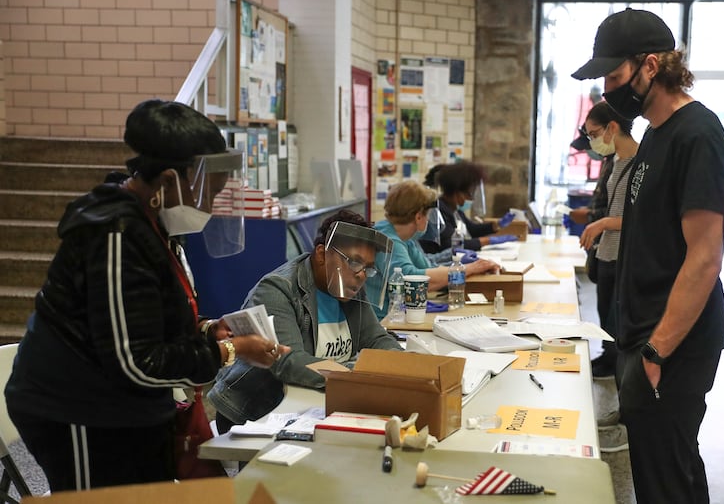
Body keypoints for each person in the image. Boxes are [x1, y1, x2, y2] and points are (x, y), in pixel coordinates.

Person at [3, 99, 289, 492]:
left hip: (127, 404)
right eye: (207, 194)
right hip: (77, 407)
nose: (208, 207)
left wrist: (207, 330)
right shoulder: (116, 235)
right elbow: (135, 361)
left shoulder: (152, 224)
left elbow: (150, 319)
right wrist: (230, 351)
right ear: (169, 181)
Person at [572, 9, 724, 503]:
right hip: (642, 336)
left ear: (649, 66)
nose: (608, 90)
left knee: (664, 479)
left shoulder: (697, 135)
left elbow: (705, 257)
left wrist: (656, 350)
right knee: (670, 467)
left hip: (673, 345)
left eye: (615, 76)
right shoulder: (655, 136)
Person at [209, 210, 403, 433]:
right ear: (322, 254)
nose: (361, 275)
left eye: (368, 268)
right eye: (354, 262)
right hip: (256, 415)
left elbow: (376, 338)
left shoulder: (347, 286)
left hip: (314, 405)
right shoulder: (277, 289)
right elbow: (289, 361)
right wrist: (354, 374)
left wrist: (405, 365)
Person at [372, 180, 500, 320]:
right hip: (383, 322)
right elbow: (411, 278)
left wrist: (462, 266)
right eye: (427, 215)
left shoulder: (404, 238)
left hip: (395, 317)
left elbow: (427, 266)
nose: (428, 220)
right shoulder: (387, 239)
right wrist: (467, 269)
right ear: (418, 216)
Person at [577, 101, 638, 381]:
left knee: (618, 317)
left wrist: (601, 223)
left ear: (612, 127)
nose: (592, 141)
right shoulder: (613, 161)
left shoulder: (640, 163)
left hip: (625, 253)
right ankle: (608, 356)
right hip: (606, 251)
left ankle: (616, 363)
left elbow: (642, 218)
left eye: (593, 133)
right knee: (604, 313)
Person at [419, 162, 517, 260]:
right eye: (469, 193)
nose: (471, 198)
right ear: (456, 192)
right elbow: (450, 244)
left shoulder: (455, 211)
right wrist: (487, 241)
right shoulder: (439, 211)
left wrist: (496, 225)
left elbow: (472, 229)